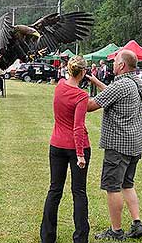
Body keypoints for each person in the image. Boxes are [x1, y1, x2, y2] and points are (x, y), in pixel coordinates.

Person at [86, 50, 142, 240]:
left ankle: (116, 231)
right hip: (135, 143)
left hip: (118, 146)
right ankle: (137, 224)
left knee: (113, 187)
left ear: (122, 66)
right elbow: (113, 95)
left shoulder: (120, 85)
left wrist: (70, 94)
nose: (113, 64)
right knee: (127, 184)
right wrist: (95, 81)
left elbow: (91, 106)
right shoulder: (138, 82)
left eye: (115, 61)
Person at [41, 56, 91, 243]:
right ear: (84, 72)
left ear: (69, 70)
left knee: (54, 190)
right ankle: (80, 238)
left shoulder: (60, 86)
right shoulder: (81, 96)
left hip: (56, 145)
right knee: (79, 192)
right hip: (77, 148)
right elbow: (78, 127)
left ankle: (47, 236)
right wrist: (80, 154)